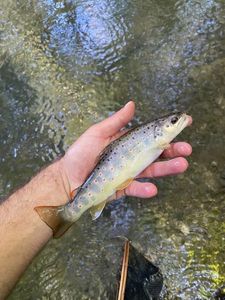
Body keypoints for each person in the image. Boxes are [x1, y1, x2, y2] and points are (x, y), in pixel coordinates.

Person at [0, 101, 192, 298]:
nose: (180, 120)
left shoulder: (159, 141)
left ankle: (64, 217)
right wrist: (62, 181)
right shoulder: (157, 140)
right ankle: (65, 216)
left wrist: (62, 181)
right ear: (159, 131)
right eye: (175, 120)